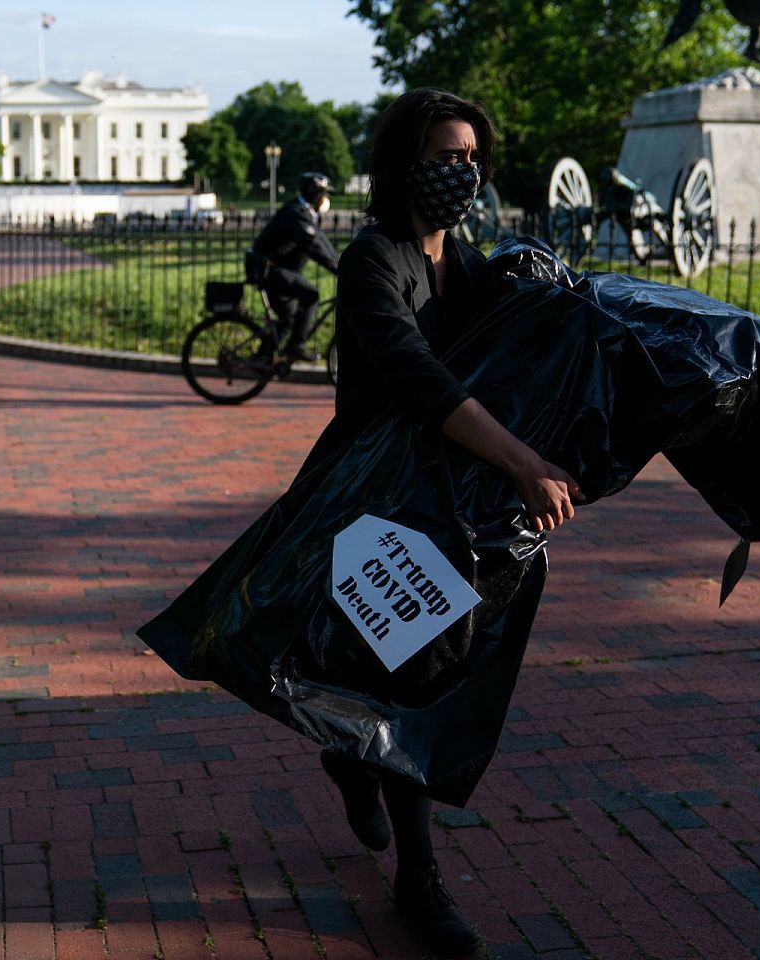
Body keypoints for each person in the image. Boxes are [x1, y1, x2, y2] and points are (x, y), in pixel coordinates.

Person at [322, 88, 582, 957]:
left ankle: (350, 757)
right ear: (403, 164)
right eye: (444, 156)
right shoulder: (372, 261)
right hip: (366, 503)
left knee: (423, 670)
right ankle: (420, 878)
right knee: (409, 680)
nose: (462, 172)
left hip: (444, 502)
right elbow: (420, 381)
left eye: (472, 156)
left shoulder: (468, 265)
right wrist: (521, 462)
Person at [245, 172, 340, 362]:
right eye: (325, 194)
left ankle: (262, 357)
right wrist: (341, 271)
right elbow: (314, 247)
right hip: (268, 270)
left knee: (288, 316)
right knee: (311, 296)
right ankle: (296, 346)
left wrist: (342, 264)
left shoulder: (303, 213)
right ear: (315, 195)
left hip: (274, 270)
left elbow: (322, 243)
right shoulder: (296, 214)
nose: (326, 199)